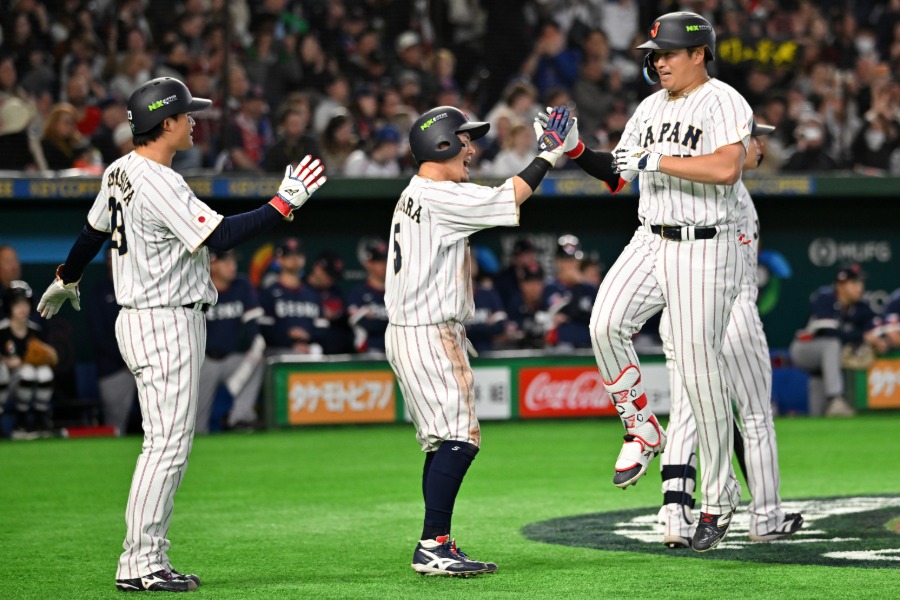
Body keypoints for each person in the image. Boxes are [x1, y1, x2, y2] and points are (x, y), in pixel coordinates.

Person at [34, 76, 326, 593]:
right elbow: (222, 237)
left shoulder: (121, 169)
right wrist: (284, 203)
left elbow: (91, 233)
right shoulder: (156, 179)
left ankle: (150, 556)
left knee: (168, 443)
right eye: (186, 115)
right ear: (164, 122)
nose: (194, 121)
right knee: (165, 445)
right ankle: (138, 562)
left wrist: (67, 276)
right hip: (162, 317)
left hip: (152, 316)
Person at [579, 11, 753, 552]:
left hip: (706, 243)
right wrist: (576, 153)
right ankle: (641, 427)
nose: (657, 62)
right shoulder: (648, 107)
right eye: (652, 55)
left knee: (700, 376)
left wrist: (663, 158)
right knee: (604, 323)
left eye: (667, 53)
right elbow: (619, 174)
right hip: (650, 236)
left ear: (699, 53)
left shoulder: (724, 100)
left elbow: (728, 168)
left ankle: (719, 500)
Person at [385, 104, 573, 576]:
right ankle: (433, 544)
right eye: (464, 138)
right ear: (441, 142)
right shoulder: (436, 193)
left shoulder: (421, 192)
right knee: (460, 439)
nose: (471, 147)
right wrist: (548, 154)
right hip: (429, 330)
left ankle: (436, 541)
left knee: (443, 441)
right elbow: (508, 197)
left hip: (416, 329)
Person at [657, 123, 804, 549]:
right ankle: (766, 516)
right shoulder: (729, 186)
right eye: (753, 137)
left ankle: (674, 518)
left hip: (681, 307)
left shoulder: (683, 189)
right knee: (756, 417)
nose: (760, 144)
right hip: (730, 306)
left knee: (686, 413)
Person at [789, 264, 887, 417]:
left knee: (819, 414)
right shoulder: (825, 298)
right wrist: (862, 337)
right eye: (854, 283)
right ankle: (835, 398)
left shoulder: (860, 306)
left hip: (825, 363)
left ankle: (825, 412)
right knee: (832, 343)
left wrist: (879, 340)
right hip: (804, 349)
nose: (859, 287)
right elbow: (829, 332)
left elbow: (874, 328)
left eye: (860, 283)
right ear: (840, 285)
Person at [196, 248, 265, 434]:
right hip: (203, 362)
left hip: (232, 359)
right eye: (226, 262)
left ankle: (239, 418)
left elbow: (252, 326)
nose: (232, 266)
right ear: (212, 263)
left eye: (233, 262)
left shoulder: (241, 285)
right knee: (196, 425)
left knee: (257, 359)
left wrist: (248, 355)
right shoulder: (197, 286)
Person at [86, 245, 136, 435]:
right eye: (111, 257)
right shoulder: (99, 294)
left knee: (160, 421)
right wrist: (127, 358)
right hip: (114, 368)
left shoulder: (140, 289)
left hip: (145, 365)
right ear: (107, 261)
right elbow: (99, 337)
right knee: (115, 427)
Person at [1, 281, 57, 440]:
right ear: (8, 306)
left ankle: (37, 421)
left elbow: (48, 356)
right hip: (6, 384)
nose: (22, 308)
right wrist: (5, 360)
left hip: (27, 383)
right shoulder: (2, 330)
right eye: (17, 304)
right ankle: (19, 421)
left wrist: (49, 355)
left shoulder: (35, 331)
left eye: (25, 303)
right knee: (17, 372)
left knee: (43, 372)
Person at [258, 238, 324, 356]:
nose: (294, 259)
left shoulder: (312, 294)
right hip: (278, 351)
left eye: (298, 255)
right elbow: (264, 329)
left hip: (309, 350)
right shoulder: (270, 293)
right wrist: (289, 340)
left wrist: (308, 337)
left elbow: (323, 329)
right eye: (289, 255)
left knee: (317, 352)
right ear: (279, 259)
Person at [543, 235, 597, 350]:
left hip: (590, 344)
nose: (571, 264)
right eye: (566, 259)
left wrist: (580, 283)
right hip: (562, 346)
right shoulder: (551, 287)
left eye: (574, 259)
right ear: (558, 261)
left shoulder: (589, 288)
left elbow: (599, 318)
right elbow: (560, 315)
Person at [347, 239, 389, 354]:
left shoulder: (399, 292)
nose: (384, 265)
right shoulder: (359, 293)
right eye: (379, 261)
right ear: (369, 264)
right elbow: (361, 323)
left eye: (386, 260)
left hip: (397, 350)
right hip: (370, 352)